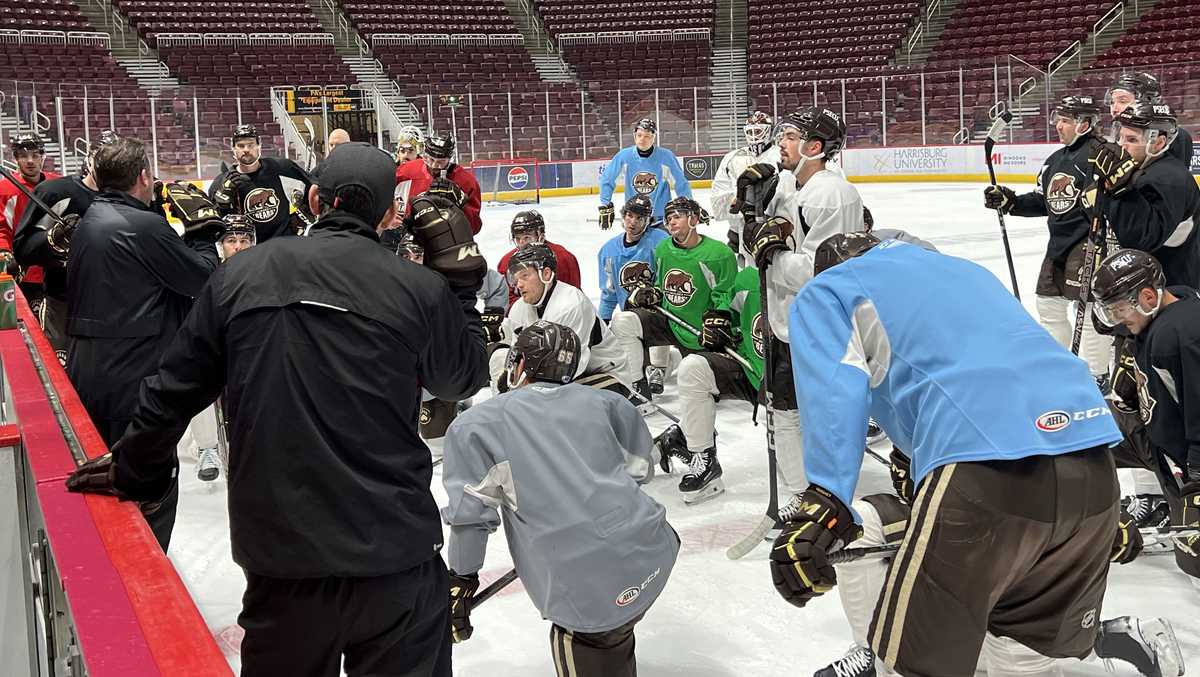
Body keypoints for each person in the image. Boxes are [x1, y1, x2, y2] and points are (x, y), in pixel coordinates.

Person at [66, 142, 489, 677]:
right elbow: (464, 377)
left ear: (313, 200)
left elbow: (172, 390)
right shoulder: (420, 289)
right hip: (394, 553)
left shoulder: (239, 275)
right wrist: (459, 284)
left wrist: (133, 468)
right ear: (389, 214)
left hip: (283, 558)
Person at [775, 232, 1123, 677]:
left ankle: (875, 652)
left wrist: (825, 500)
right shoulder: (965, 271)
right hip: (1092, 461)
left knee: (913, 666)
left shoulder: (832, 288)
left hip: (984, 467)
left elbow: (836, 388)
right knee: (1020, 664)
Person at [442, 320, 678, 677]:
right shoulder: (609, 402)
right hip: (654, 552)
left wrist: (461, 579)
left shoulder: (476, 425)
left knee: (593, 636)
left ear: (519, 364)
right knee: (615, 627)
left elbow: (471, 516)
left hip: (587, 591)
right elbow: (640, 471)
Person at [64, 138, 223, 550]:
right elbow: (202, 278)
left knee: (105, 482)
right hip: (134, 380)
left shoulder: (91, 217)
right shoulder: (144, 226)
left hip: (90, 372)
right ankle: (144, 598)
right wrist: (203, 233)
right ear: (143, 177)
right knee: (150, 489)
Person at [729, 106, 867, 498]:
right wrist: (748, 210)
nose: (780, 143)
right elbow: (752, 244)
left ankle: (826, 493)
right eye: (783, 135)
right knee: (784, 408)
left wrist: (772, 256)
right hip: (784, 319)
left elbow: (820, 271)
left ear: (816, 146)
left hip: (821, 324)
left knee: (820, 411)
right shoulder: (787, 187)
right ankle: (797, 491)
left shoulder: (832, 194)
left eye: (791, 137)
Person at [1092, 249, 1200, 588]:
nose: (1115, 318)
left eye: (1118, 310)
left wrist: (1196, 479)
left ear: (1148, 296)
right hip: (1160, 441)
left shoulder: (1180, 335)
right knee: (1080, 430)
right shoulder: (1167, 311)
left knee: (1194, 557)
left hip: (1186, 462)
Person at [984, 95, 1111, 380]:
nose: (1058, 125)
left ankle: (1095, 374)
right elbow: (1044, 201)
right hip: (1059, 243)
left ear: (1085, 124)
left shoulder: (1101, 154)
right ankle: (1056, 366)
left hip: (1090, 242)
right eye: (1058, 119)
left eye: (1065, 120)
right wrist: (1010, 201)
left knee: (1088, 309)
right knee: (1048, 304)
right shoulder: (1055, 160)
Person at [611, 196, 736, 420]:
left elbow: (728, 295)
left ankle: (678, 362)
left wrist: (721, 318)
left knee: (704, 391)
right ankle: (638, 389)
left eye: (677, 216)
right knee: (624, 321)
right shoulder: (664, 249)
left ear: (694, 219)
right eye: (669, 218)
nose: (671, 222)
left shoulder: (719, 254)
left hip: (702, 333)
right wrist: (652, 293)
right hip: (670, 322)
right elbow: (661, 284)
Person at [655, 263, 764, 503]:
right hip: (753, 373)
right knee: (694, 369)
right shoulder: (749, 279)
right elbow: (728, 313)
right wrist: (721, 326)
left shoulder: (812, 283)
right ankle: (703, 458)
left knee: (800, 476)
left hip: (797, 388)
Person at [14, 130, 116, 366]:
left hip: (112, 305)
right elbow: (22, 245)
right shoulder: (56, 192)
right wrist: (51, 240)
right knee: (61, 371)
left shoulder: (130, 197)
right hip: (59, 298)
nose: (30, 160)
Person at [488, 244, 626, 395]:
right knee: (499, 357)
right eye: (515, 278)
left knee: (546, 401)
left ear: (546, 274)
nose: (519, 284)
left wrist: (526, 389)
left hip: (603, 373)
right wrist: (510, 384)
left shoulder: (572, 303)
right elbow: (517, 356)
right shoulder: (518, 309)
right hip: (553, 378)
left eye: (525, 276)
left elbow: (572, 366)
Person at [1090, 101, 1200, 290]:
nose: (1121, 146)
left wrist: (1120, 191)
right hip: (1138, 290)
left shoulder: (1169, 178)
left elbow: (1141, 239)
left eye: (1132, 140)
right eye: (1120, 137)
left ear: (1158, 142)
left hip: (1168, 293)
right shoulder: (1137, 169)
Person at [597, 194, 672, 393]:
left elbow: (670, 279)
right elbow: (609, 293)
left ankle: (658, 367)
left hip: (661, 314)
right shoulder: (608, 250)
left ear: (648, 221)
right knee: (620, 330)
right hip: (630, 318)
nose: (633, 222)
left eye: (639, 218)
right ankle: (642, 376)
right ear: (623, 216)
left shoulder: (661, 242)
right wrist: (601, 323)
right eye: (629, 216)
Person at [209, 124, 312, 242]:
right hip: (249, 251)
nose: (246, 149)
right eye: (241, 146)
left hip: (283, 245)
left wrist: (301, 218)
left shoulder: (282, 168)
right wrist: (223, 206)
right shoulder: (220, 184)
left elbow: (314, 190)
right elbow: (215, 228)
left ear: (259, 146)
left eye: (251, 144)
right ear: (233, 149)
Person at [598, 118, 692, 228]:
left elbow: (681, 183)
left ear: (653, 138)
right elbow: (607, 179)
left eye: (647, 136)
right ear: (634, 136)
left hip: (661, 218)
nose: (642, 139)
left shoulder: (666, 156)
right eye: (639, 135)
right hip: (634, 216)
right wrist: (606, 204)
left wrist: (689, 206)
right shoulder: (624, 156)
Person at [0, 133, 60, 306]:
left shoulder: (56, 183)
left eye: (35, 155)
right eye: (24, 156)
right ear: (16, 159)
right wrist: (4, 252)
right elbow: (1, 228)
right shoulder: (5, 189)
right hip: (22, 270)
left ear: (42, 156)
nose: (30, 161)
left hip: (55, 267)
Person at [710, 111, 777, 259]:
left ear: (768, 131)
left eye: (758, 131)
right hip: (739, 228)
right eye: (750, 131)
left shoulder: (779, 155)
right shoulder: (732, 158)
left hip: (774, 226)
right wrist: (739, 203)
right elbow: (718, 194)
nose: (754, 135)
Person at [395, 132, 482, 234]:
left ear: (450, 159)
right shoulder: (406, 171)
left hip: (447, 241)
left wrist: (460, 204)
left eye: (441, 161)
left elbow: (474, 227)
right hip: (409, 236)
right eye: (430, 159)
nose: (434, 165)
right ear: (424, 155)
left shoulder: (467, 181)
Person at [495, 210, 581, 307]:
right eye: (518, 239)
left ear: (541, 236)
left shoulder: (563, 257)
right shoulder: (506, 262)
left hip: (561, 313)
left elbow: (573, 295)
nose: (522, 243)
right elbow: (506, 300)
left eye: (527, 237)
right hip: (525, 317)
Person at [1106, 72, 1193, 165]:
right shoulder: (1118, 130)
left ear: (1148, 101)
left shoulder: (1176, 136)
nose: (1114, 109)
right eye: (1112, 102)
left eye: (1122, 101)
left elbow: (1170, 177)